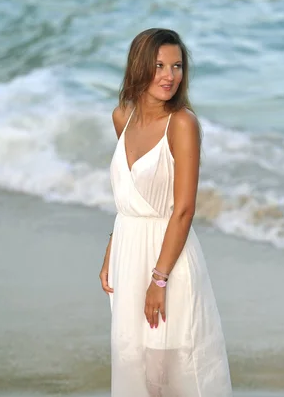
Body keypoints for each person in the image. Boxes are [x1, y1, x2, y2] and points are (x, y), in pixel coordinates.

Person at [99, 28, 233, 397]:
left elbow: (185, 209)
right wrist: (112, 248)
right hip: (129, 254)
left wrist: (159, 281)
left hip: (168, 259)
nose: (169, 75)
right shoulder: (121, 117)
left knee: (172, 368)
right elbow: (133, 194)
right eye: (159, 65)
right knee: (134, 362)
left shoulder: (183, 124)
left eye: (177, 66)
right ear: (139, 66)